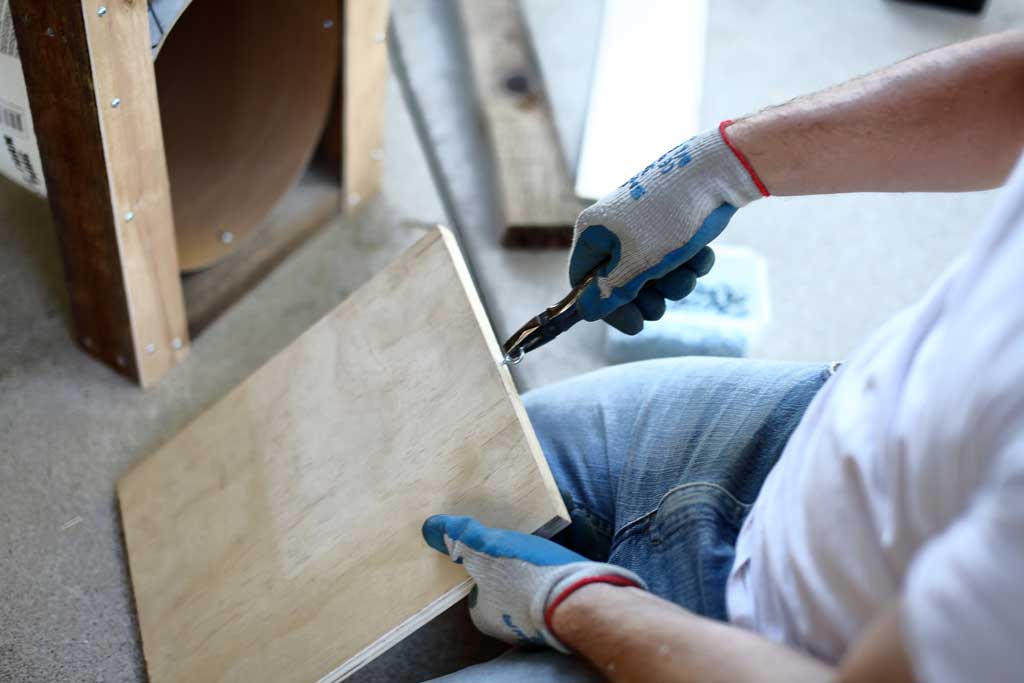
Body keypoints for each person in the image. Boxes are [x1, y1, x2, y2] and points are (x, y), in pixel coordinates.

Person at [422, 29, 1024, 683]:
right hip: (795, 430)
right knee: (445, 474)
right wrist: (719, 168)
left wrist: (570, 603)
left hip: (771, 659)